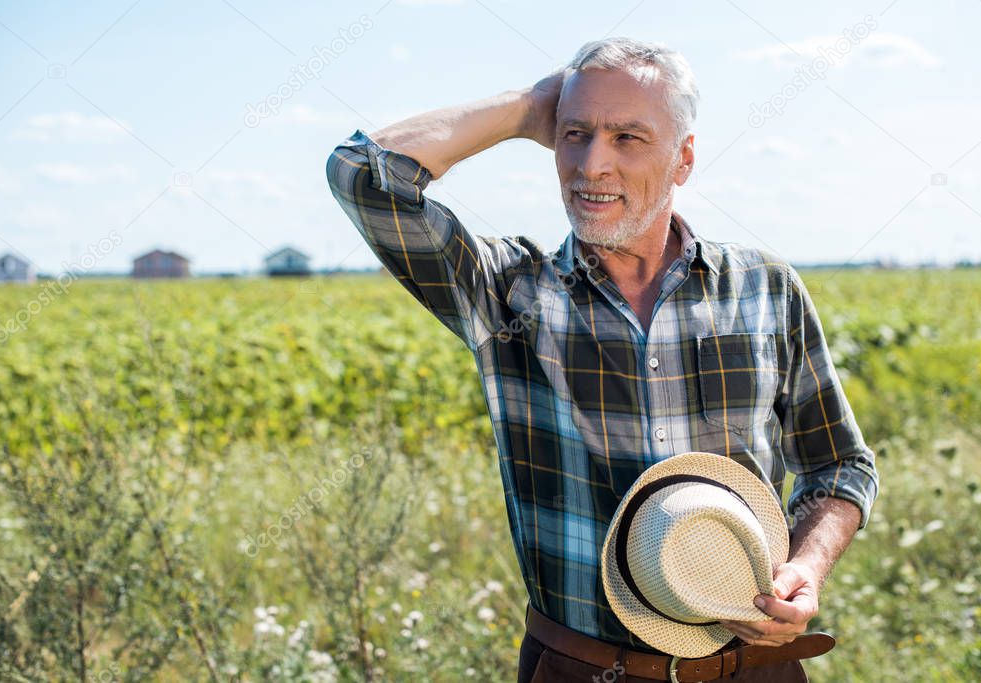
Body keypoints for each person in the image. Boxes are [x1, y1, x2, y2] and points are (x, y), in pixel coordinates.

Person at [326, 36, 878, 682]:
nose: (591, 165)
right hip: (582, 669)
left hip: (754, 668)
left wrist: (804, 570)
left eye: (626, 138)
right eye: (574, 134)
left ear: (683, 160)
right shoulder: (509, 291)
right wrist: (528, 107)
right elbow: (362, 174)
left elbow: (840, 465)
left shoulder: (765, 288)